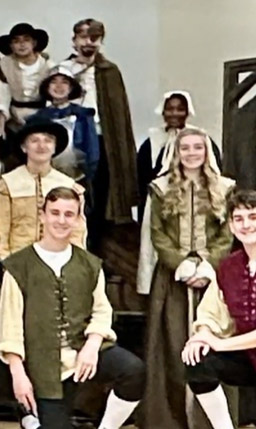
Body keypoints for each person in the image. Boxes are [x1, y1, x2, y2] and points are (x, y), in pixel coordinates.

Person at [0, 187, 144, 429]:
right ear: (43, 216)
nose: (61, 220)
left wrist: (92, 345)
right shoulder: (19, 267)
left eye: (69, 214)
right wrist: (18, 374)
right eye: (55, 213)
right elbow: (9, 326)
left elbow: (102, 310)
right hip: (43, 366)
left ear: (77, 219)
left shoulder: (89, 264)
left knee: (133, 372)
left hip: (83, 349)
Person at [142, 127, 235, 429]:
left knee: (214, 342)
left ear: (207, 152)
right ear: (176, 152)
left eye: (198, 147)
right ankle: (169, 419)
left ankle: (211, 422)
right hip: (172, 278)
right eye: (186, 148)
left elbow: (227, 234)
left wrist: (209, 266)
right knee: (172, 345)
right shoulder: (160, 188)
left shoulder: (225, 188)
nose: (192, 153)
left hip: (214, 279)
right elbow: (158, 233)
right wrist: (180, 265)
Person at [183, 189, 256, 429]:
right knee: (198, 361)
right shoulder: (229, 267)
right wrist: (203, 335)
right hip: (248, 358)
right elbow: (211, 311)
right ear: (232, 227)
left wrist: (221, 344)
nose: (246, 225)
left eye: (253, 217)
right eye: (239, 219)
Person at [63, 19, 137, 247]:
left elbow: (119, 112)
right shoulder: (63, 70)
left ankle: (96, 243)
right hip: (71, 136)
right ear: (74, 40)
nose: (88, 42)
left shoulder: (109, 71)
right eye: (83, 37)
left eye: (94, 38)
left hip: (102, 136)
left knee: (100, 190)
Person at [0, 117, 86, 259]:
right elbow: (2, 231)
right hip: (20, 260)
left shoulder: (68, 185)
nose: (41, 146)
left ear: (54, 147)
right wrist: (7, 263)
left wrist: (75, 262)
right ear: (24, 147)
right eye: (34, 141)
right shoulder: (8, 184)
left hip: (59, 260)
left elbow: (77, 231)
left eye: (48, 141)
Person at [136, 90, 222, 222]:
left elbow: (213, 170)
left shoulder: (200, 138)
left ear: (187, 112)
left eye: (180, 109)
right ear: (163, 111)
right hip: (160, 201)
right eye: (170, 109)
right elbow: (142, 177)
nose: (174, 113)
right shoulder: (152, 141)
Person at [27, 64, 99, 186]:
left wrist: (88, 175)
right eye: (53, 82)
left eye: (64, 82)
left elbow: (92, 150)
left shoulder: (83, 116)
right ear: (47, 87)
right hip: (45, 179)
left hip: (78, 178)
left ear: (71, 87)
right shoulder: (38, 119)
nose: (59, 86)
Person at [0, 22, 52, 136]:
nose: (22, 45)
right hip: (14, 118)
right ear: (11, 46)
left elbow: (52, 99)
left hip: (41, 116)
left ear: (34, 43)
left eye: (26, 40)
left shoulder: (48, 66)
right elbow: (3, 97)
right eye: (16, 41)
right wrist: (0, 126)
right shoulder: (5, 65)